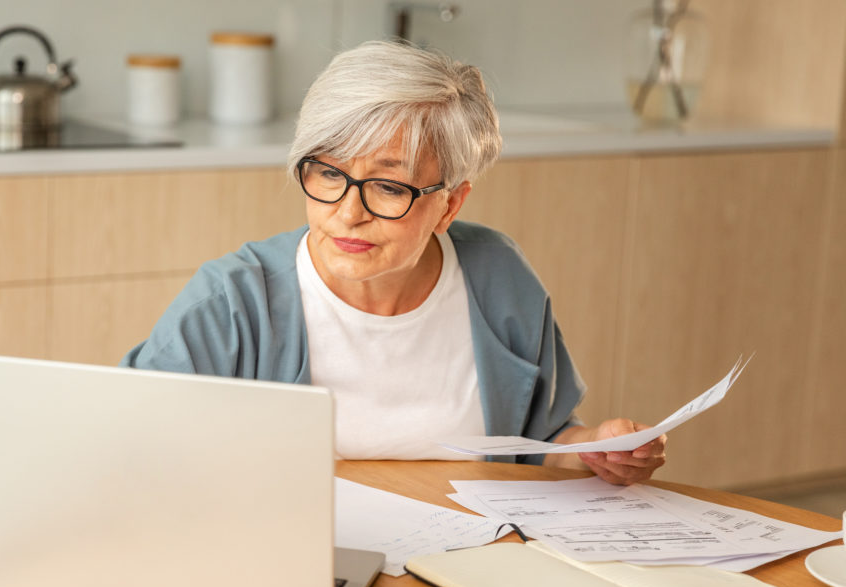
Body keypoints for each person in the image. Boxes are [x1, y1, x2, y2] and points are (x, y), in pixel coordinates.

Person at [122, 40, 665, 485]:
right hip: (304, 565)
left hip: (469, 561)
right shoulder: (234, 302)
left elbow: (540, 442)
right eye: (329, 174)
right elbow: (128, 444)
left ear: (449, 204)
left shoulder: (497, 276)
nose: (349, 214)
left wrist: (597, 449)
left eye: (387, 186)